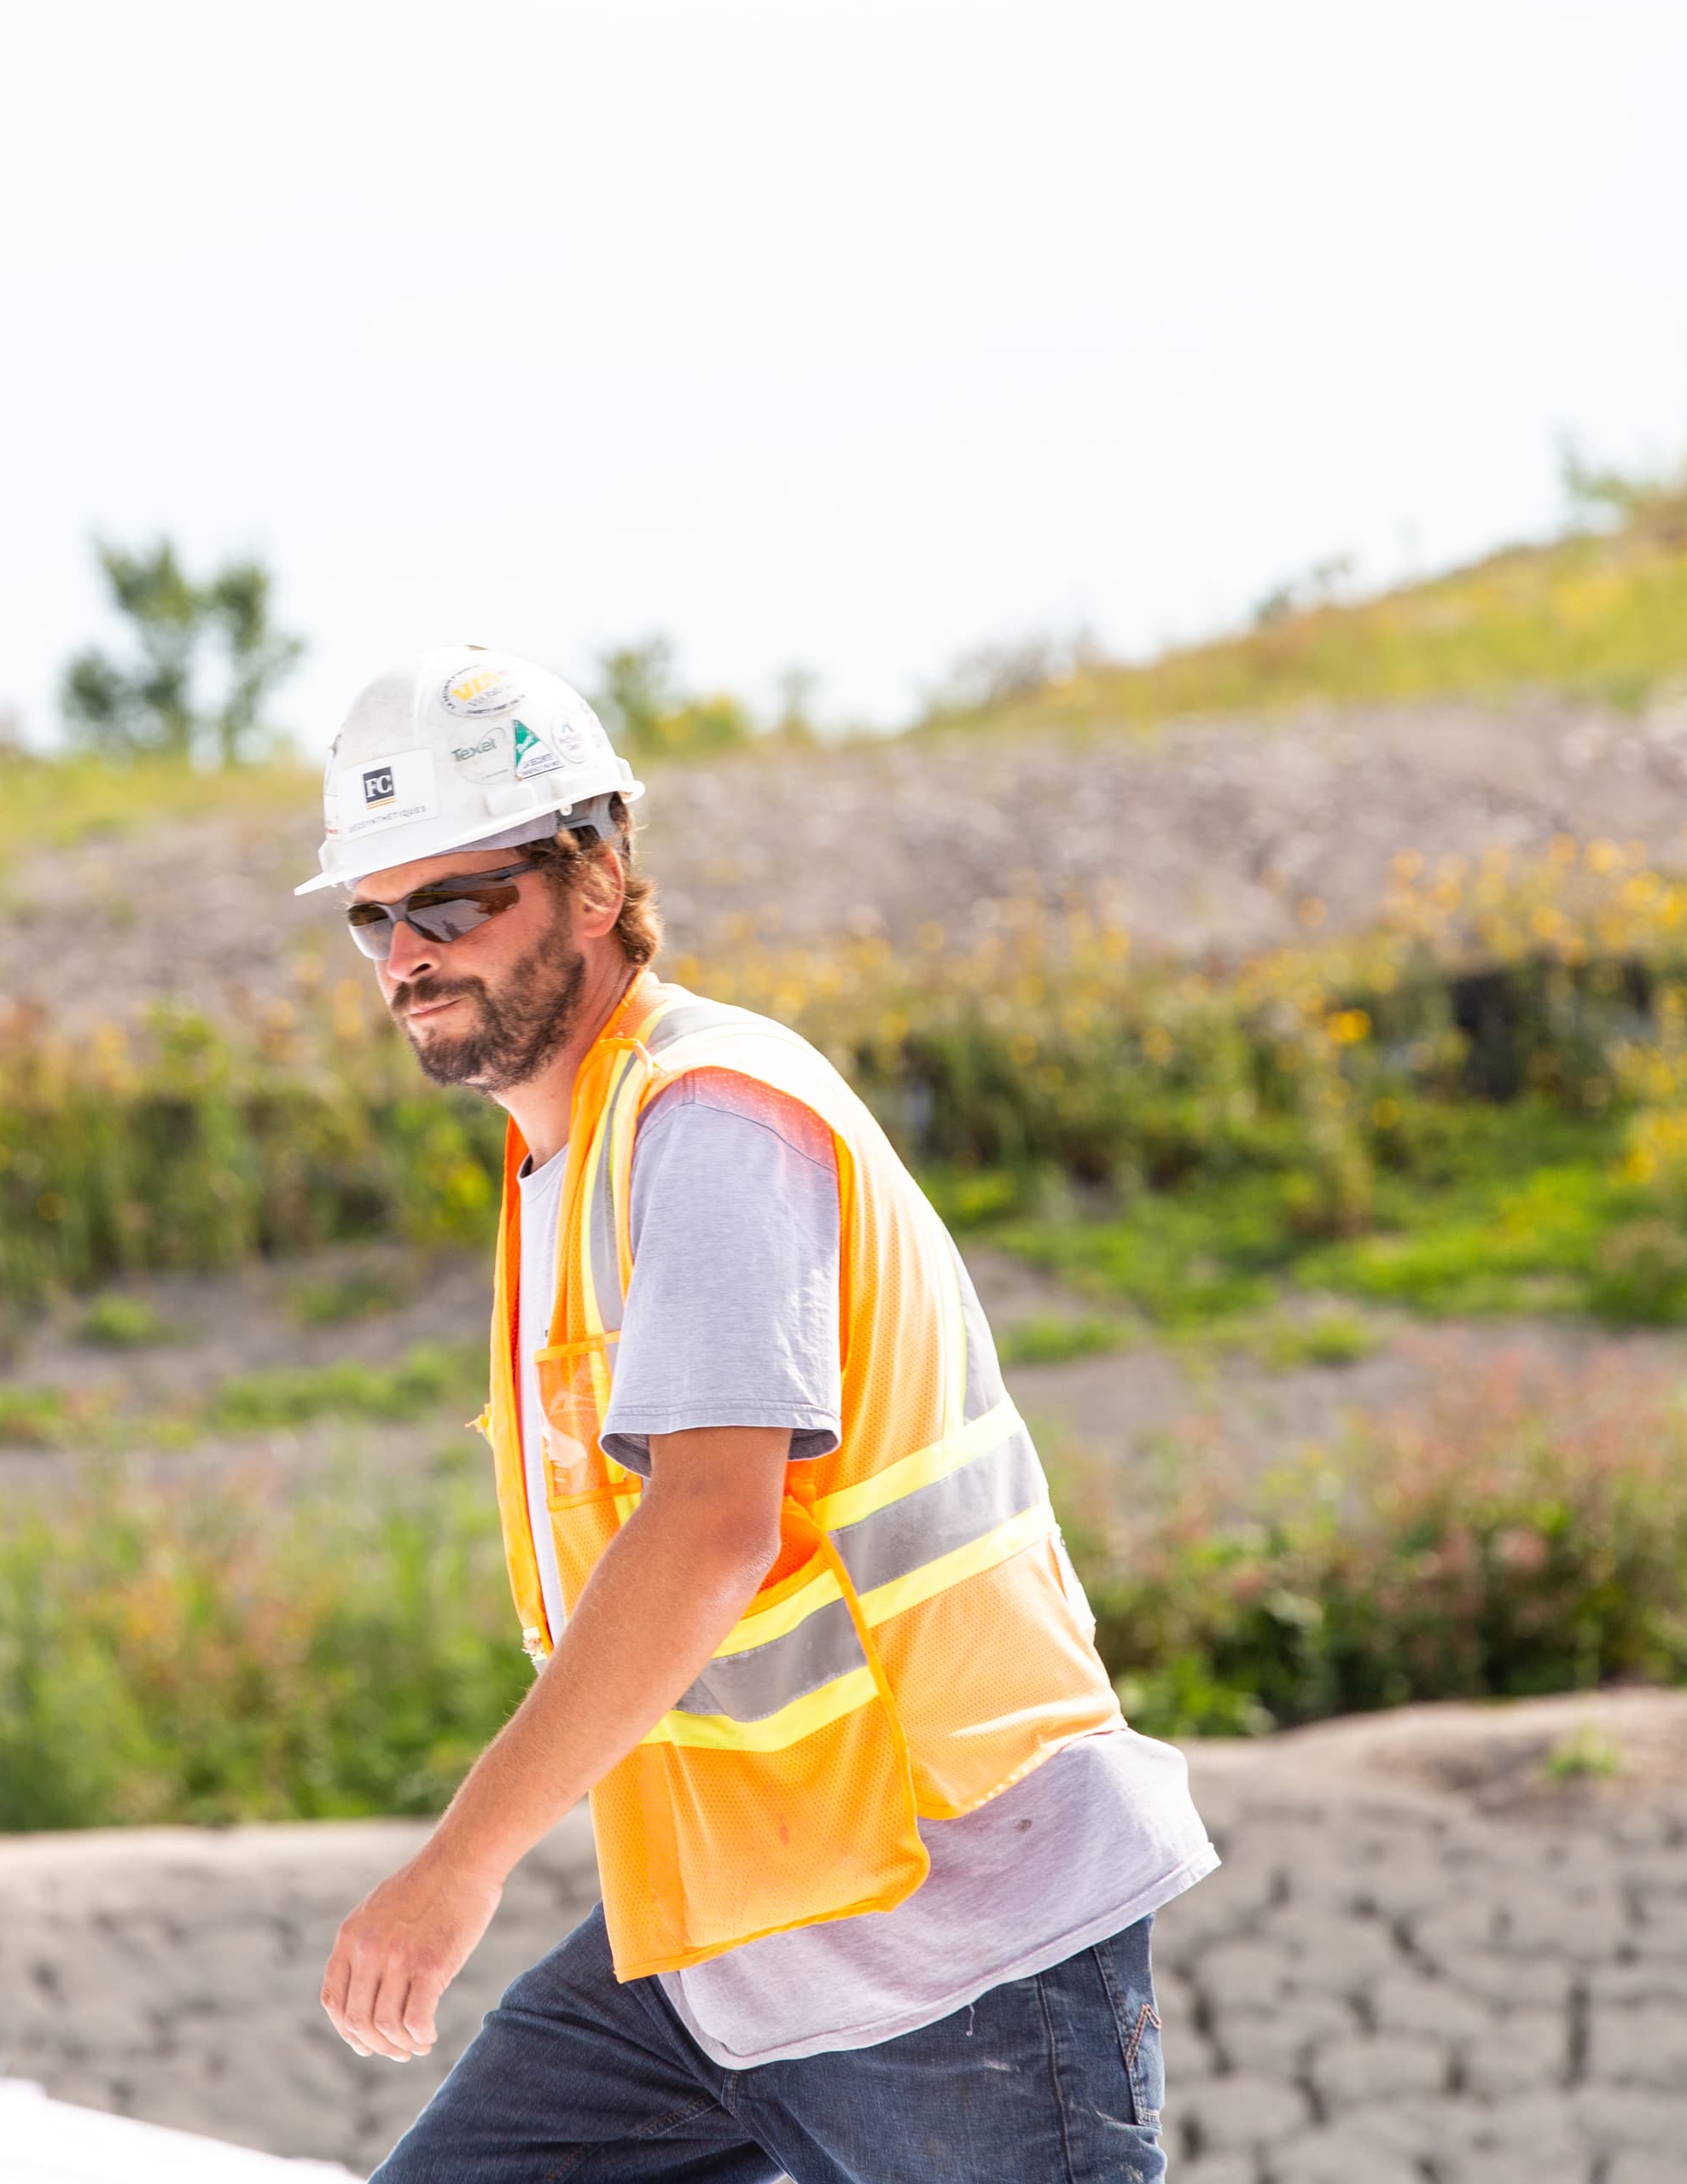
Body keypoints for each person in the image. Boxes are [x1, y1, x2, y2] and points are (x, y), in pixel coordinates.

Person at [304, 648, 1215, 2184]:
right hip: (729, 1932)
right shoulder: (565, 1165)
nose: (408, 952)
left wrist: (457, 1867)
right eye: (375, 916)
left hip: (950, 1934)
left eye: (455, 903)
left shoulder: (709, 1120)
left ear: (594, 881)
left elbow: (715, 1530)